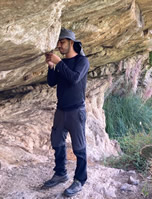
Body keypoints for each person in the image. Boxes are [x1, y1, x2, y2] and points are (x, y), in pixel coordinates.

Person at [43, 28, 89, 197]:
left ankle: (79, 180)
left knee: (79, 147)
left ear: (71, 42)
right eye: (58, 43)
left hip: (76, 111)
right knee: (57, 142)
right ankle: (61, 173)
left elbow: (74, 78)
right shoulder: (62, 63)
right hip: (61, 110)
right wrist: (51, 66)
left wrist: (59, 63)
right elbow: (51, 82)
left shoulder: (82, 61)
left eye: (62, 42)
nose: (59, 46)